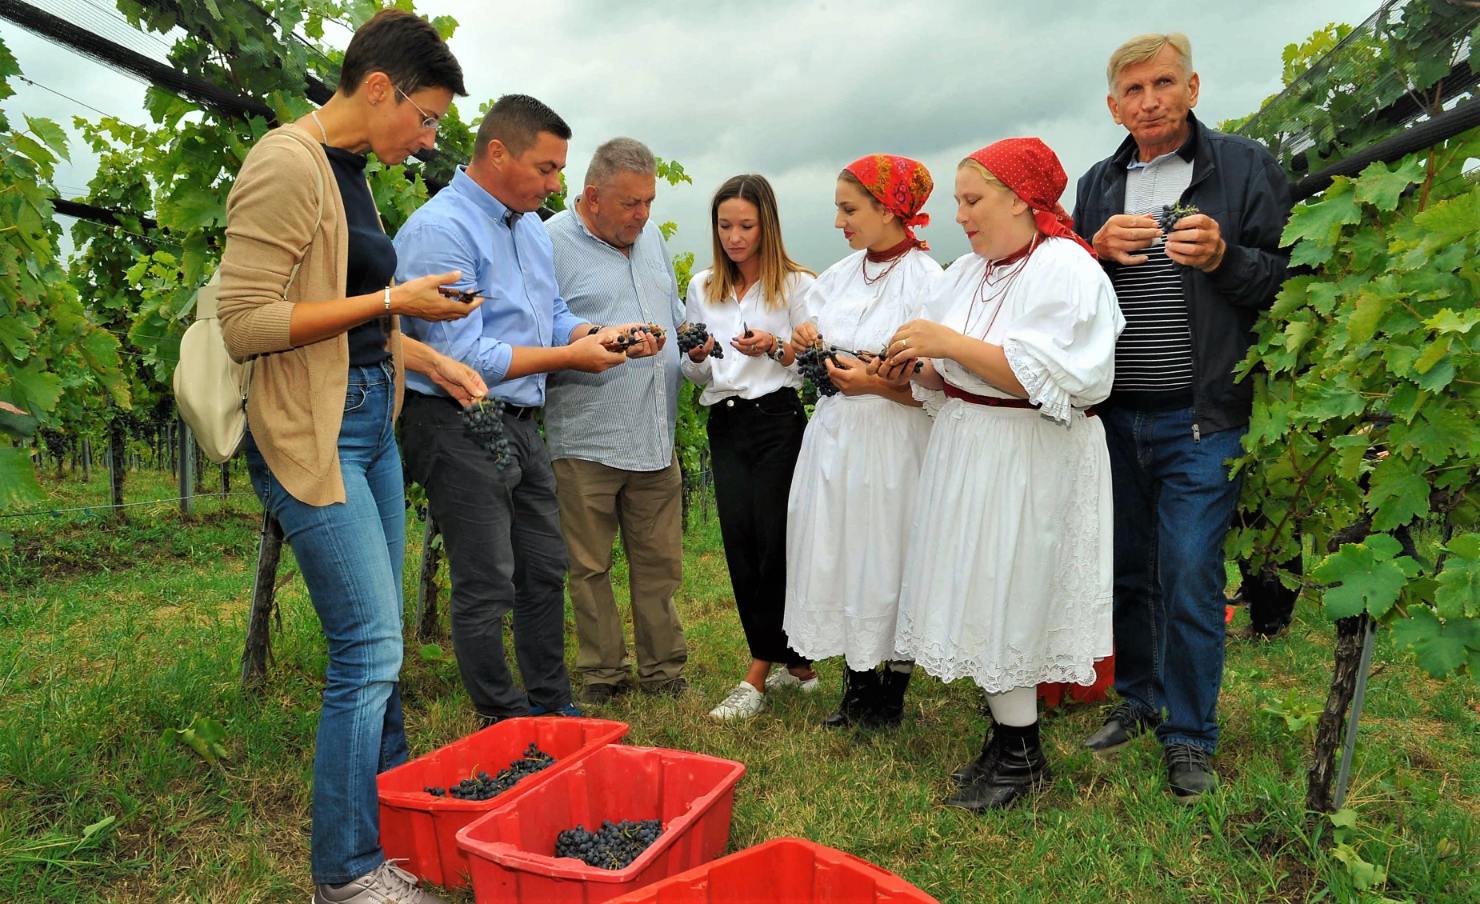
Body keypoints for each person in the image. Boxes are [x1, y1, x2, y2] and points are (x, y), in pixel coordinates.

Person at [217, 11, 486, 903]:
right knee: (368, 647)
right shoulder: (285, 163)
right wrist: (389, 294)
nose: (431, 134)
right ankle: (347, 872)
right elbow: (248, 323)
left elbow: (353, 322)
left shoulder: (354, 174)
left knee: (381, 647)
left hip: (369, 415)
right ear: (381, 89)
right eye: (429, 116)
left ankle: (395, 831)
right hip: (313, 429)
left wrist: (426, 345)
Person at [1073, 33, 1292, 801]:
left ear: (1193, 87)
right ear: (1113, 106)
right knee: (1129, 571)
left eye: (1163, 83)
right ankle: (1139, 696)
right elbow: (1073, 295)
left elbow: (1287, 276)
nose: (1149, 100)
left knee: (1192, 573)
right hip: (1116, 418)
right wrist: (1094, 250)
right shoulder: (1098, 184)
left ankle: (1191, 733)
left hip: (1203, 417)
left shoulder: (1241, 166)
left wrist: (1223, 258)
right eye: (1133, 91)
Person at [876, 138, 1123, 811]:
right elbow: (953, 369)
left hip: (1030, 453)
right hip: (972, 446)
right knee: (984, 589)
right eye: (958, 200)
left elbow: (1067, 380)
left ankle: (1022, 756)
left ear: (1019, 198)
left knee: (1011, 590)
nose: (960, 214)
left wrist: (946, 344)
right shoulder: (969, 273)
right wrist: (919, 367)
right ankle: (1009, 741)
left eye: (972, 199)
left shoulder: (1067, 269)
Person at [394, 95, 648, 727]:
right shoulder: (441, 231)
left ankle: (549, 703)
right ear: (498, 152)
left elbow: (551, 316)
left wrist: (595, 334)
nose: (556, 183)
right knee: (486, 579)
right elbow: (462, 357)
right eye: (546, 168)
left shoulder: (530, 228)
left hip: (521, 423)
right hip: (456, 420)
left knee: (543, 567)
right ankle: (502, 721)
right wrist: (569, 360)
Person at [783, 154, 941, 729]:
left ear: (888, 207)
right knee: (843, 549)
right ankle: (855, 686)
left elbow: (943, 387)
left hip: (895, 440)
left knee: (890, 553)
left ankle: (890, 693)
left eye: (849, 209)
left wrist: (877, 382)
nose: (839, 222)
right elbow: (803, 357)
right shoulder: (839, 276)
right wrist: (802, 342)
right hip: (836, 437)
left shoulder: (930, 284)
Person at [543, 138, 690, 704]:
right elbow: (541, 326)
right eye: (631, 203)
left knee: (659, 565)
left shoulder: (648, 238)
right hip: (588, 437)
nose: (643, 215)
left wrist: (687, 345)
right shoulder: (550, 242)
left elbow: (671, 315)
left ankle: (664, 670)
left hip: (655, 434)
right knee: (589, 567)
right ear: (592, 196)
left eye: (649, 201)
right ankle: (603, 674)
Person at [680, 174, 816, 720]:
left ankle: (757, 674)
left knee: (777, 541)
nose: (735, 237)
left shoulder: (797, 286)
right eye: (725, 225)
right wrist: (699, 354)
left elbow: (811, 366)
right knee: (740, 541)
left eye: (746, 225)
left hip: (778, 420)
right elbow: (695, 373)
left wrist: (775, 347)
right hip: (726, 422)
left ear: (767, 226)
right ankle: (796, 662)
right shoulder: (702, 285)